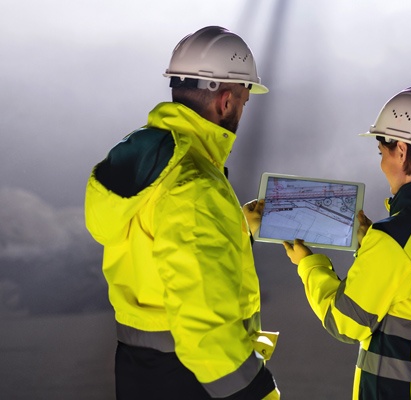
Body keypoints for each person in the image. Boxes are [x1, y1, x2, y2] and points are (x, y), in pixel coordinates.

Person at [85, 26, 279, 400]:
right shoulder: (194, 185)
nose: (242, 108)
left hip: (139, 368)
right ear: (225, 101)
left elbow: (159, 236)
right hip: (190, 377)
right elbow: (205, 327)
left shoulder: (152, 157)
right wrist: (258, 394)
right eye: (244, 98)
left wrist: (233, 225)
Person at [283, 86, 411, 399]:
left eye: (382, 153)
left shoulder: (395, 236)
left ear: (402, 151)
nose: (382, 164)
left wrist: (308, 263)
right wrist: (374, 243)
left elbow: (343, 322)